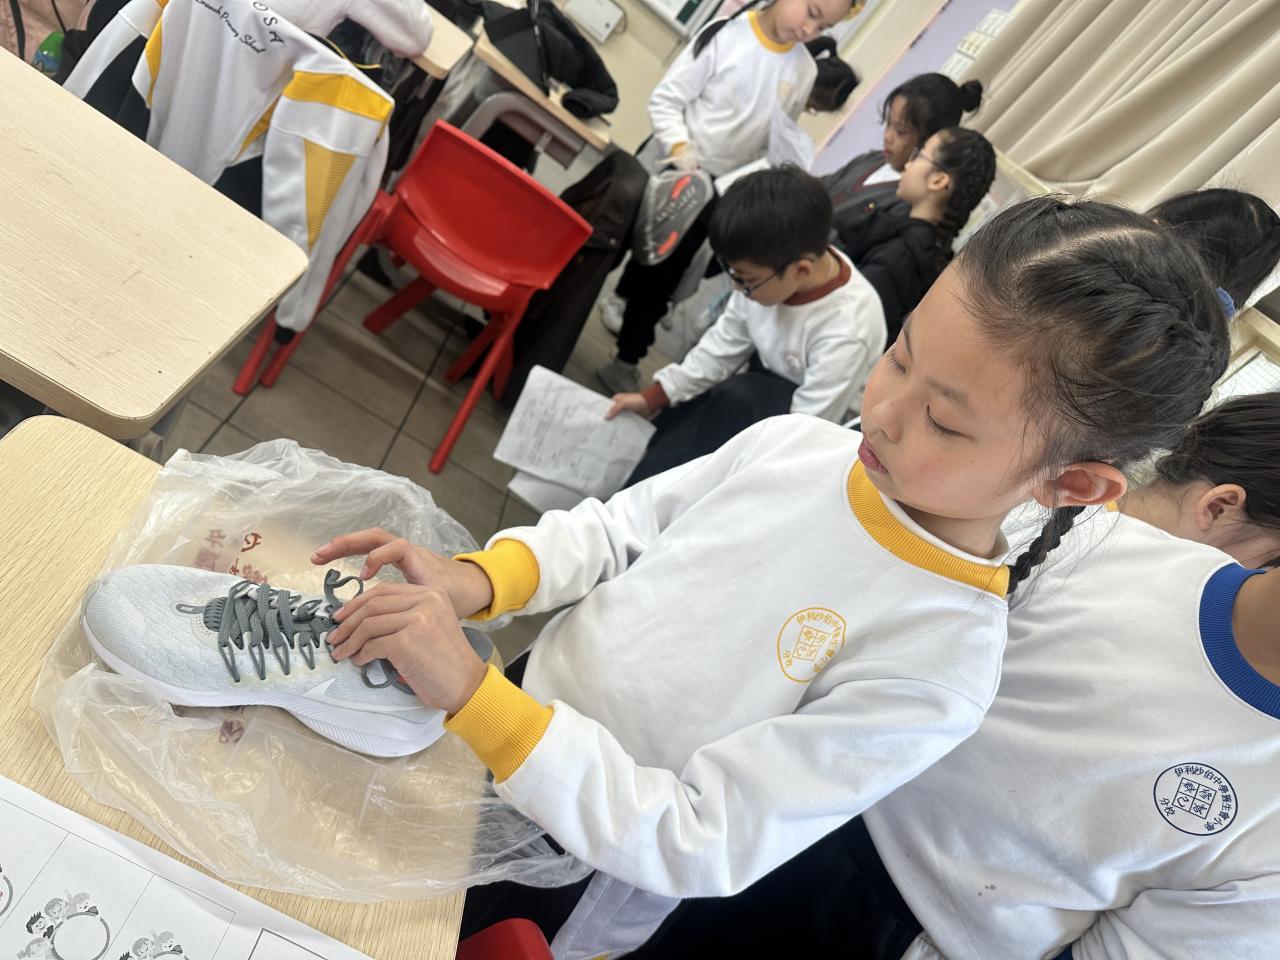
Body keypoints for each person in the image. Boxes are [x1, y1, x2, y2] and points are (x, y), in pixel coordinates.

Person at [310, 196, 1228, 958]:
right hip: (500, 716)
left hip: (576, 864)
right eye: (900, 355)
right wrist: (476, 582)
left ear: (1070, 485)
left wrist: (476, 699)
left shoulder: (939, 661)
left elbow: (698, 837)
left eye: (946, 423)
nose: (885, 411)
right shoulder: (797, 446)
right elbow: (621, 530)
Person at [595, 0, 856, 394]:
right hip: (666, 166)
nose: (809, 30)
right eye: (811, 13)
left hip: (712, 193)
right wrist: (682, 151)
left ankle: (625, 362)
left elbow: (771, 139)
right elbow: (667, 100)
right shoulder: (725, 33)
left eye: (822, 28)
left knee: (661, 279)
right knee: (605, 246)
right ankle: (548, 316)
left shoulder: (803, 70)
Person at [604, 165, 885, 486]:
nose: (738, 290)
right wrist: (653, 397)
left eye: (747, 281)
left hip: (808, 427)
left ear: (801, 271)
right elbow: (721, 347)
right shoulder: (766, 275)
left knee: (729, 412)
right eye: (734, 276)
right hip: (760, 389)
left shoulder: (848, 330)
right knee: (676, 425)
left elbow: (806, 428)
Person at [840, 126, 995, 343]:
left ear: (938, 181)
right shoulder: (930, 252)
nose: (908, 164)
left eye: (920, 155)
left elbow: (842, 324)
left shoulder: (899, 257)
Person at [823, 72, 984, 253]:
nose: (887, 136)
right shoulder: (874, 158)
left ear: (930, 140)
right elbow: (823, 185)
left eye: (900, 131)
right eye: (888, 123)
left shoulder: (907, 200)